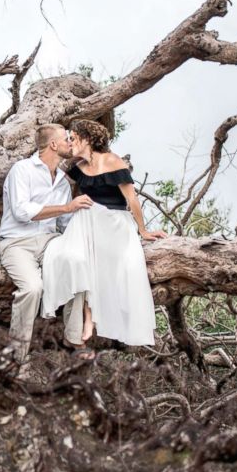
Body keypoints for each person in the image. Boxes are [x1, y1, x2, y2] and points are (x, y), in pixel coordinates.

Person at [41, 119, 166, 351]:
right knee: (79, 259)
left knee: (126, 266)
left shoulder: (112, 161)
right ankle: (89, 318)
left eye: (74, 138)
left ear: (87, 139)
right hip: (86, 221)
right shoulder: (77, 166)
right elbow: (56, 181)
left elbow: (132, 200)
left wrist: (143, 230)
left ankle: (108, 317)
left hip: (115, 221)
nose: (71, 142)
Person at [0, 123, 93, 362]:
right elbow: (21, 211)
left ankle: (74, 340)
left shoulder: (62, 180)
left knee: (77, 261)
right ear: (53, 145)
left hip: (50, 241)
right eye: (66, 139)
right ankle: (17, 356)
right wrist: (67, 206)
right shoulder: (22, 169)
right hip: (17, 243)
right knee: (32, 288)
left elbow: (64, 222)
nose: (71, 142)